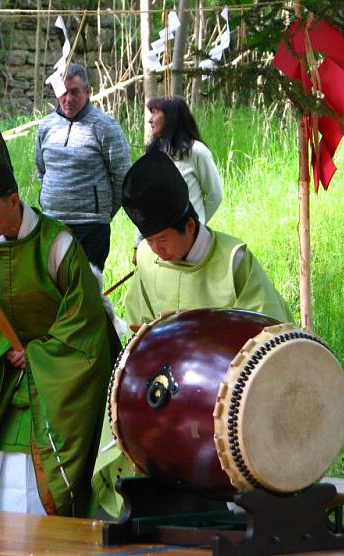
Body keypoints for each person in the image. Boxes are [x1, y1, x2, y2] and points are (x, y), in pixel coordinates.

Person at [92, 150, 292, 517]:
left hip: (228, 398)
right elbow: (139, 330)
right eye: (148, 240)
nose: (156, 249)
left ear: (189, 225)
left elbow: (269, 334)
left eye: (163, 239)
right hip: (163, 399)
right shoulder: (149, 262)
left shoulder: (233, 259)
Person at [0, 126, 114, 517]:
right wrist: (2, 348)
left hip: (55, 382)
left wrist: (36, 354)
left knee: (40, 490)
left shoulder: (59, 246)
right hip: (3, 385)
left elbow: (84, 328)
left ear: (14, 200)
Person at [35, 63, 131, 271]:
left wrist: (102, 211)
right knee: (52, 290)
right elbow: (42, 170)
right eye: (63, 92)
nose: (68, 99)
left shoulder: (105, 127)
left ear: (87, 92)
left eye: (75, 92)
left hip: (91, 227)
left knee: (87, 292)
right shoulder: (45, 126)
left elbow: (123, 176)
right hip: (52, 224)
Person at [147, 96, 222, 224]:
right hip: (158, 239)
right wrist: (139, 240)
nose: (150, 120)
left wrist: (197, 226)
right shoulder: (154, 154)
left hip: (190, 239)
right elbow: (149, 201)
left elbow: (214, 196)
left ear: (170, 116)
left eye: (154, 113)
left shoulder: (197, 151)